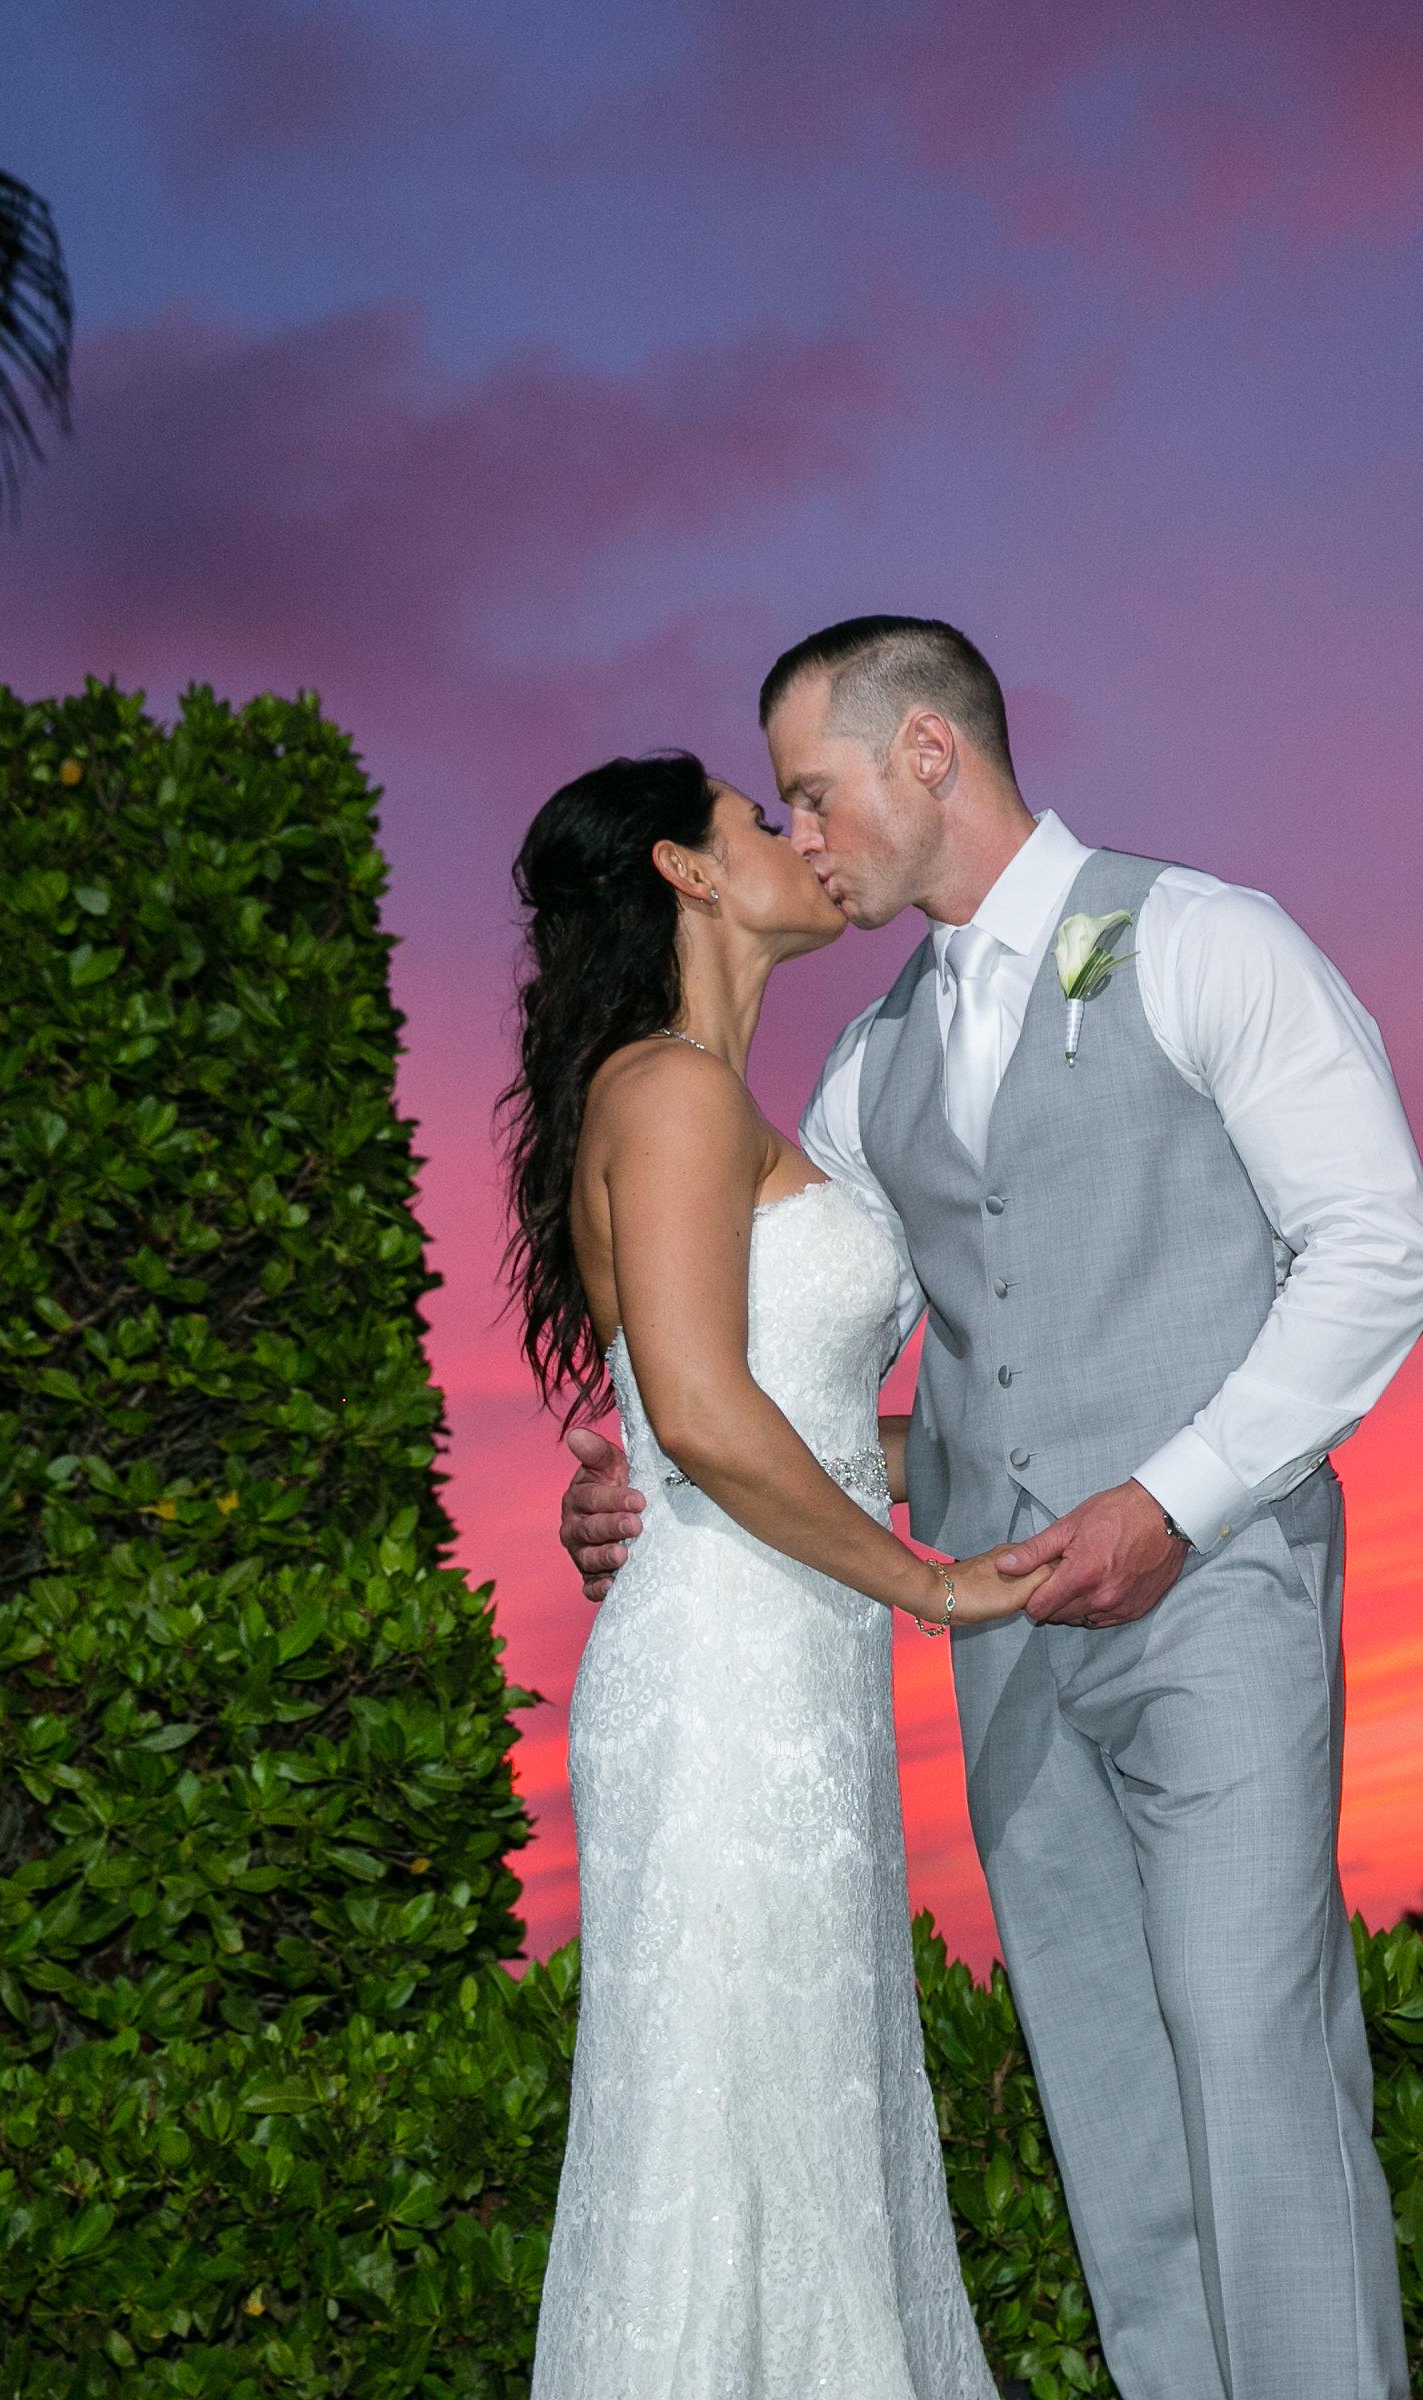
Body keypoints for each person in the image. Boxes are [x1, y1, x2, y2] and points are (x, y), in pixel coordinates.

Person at [561, 617, 1423, 2400]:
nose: (804, 838)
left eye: (814, 792)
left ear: (929, 758)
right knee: (1110, 2109)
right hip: (1009, 1656)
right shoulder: (867, 1074)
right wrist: (652, 1476)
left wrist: (1175, 1503)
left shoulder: (1206, 939)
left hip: (1217, 1606)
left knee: (1258, 2067)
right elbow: (807, 1370)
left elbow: (1380, 1252)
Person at [502, 749, 1036, 2397]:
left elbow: (777, 1413)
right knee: (721, 2156)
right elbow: (709, 1413)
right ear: (686, 870)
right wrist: (931, 1585)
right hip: (729, 1675)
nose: (804, 840)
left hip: (798, 1681)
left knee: (809, 2136)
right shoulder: (663, 1089)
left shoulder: (721, 1100)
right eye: (763, 818)